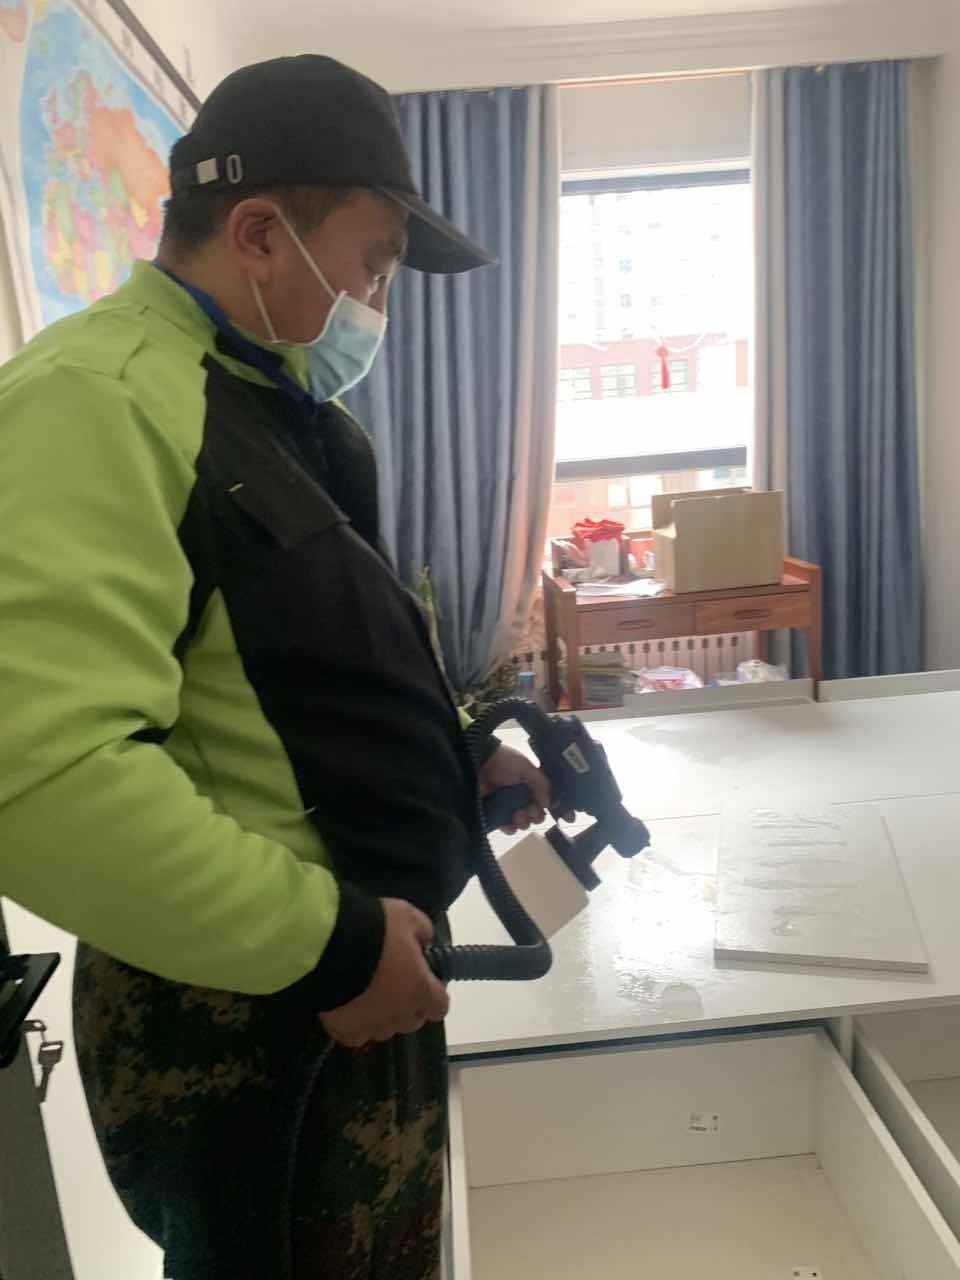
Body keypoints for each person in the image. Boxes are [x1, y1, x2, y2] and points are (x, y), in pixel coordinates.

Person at [0, 55, 551, 1280]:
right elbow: (39, 775)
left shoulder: (263, 398)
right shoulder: (96, 402)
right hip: (256, 1011)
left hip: (347, 974)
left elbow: (290, 662)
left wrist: (453, 761)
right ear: (258, 234)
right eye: (373, 263)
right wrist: (329, 943)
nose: (377, 301)